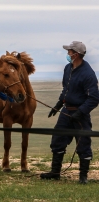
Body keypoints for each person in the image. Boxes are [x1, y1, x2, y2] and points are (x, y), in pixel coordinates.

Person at [40, 41, 99, 184]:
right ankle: (55, 172)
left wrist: (80, 113)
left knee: (83, 144)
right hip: (66, 112)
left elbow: (94, 98)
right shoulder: (68, 68)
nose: (67, 54)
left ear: (76, 54)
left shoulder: (88, 74)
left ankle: (83, 177)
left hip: (81, 116)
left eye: (69, 52)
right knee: (57, 140)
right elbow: (65, 90)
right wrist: (58, 105)